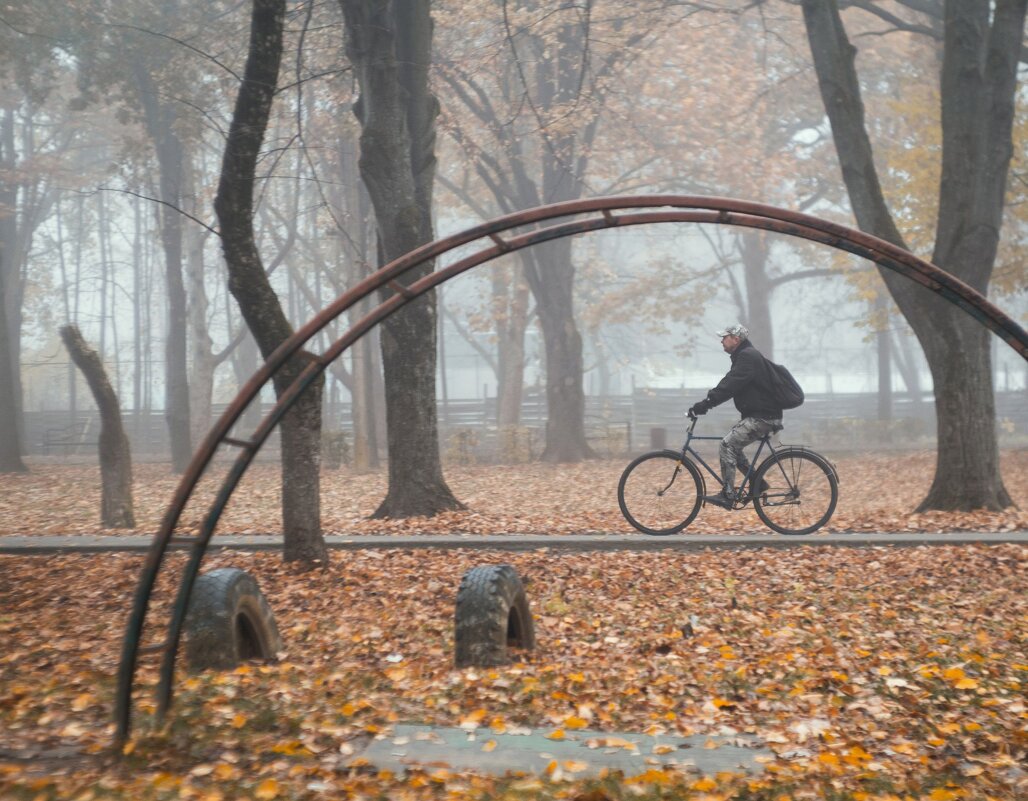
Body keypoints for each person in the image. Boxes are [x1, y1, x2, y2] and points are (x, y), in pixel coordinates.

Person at [687, 323, 782, 510]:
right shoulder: (745, 356)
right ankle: (757, 483)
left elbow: (730, 385)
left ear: (736, 339)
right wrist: (708, 403)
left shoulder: (747, 357)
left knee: (727, 445)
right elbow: (731, 384)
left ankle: (728, 495)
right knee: (734, 447)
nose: (722, 340)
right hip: (762, 415)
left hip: (762, 417)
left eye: (725, 337)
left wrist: (705, 404)